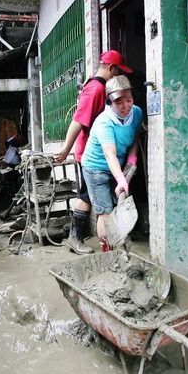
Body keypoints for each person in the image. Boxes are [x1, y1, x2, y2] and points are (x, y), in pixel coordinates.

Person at [54, 50, 132, 254]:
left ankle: (76, 237)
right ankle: (76, 237)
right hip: (93, 155)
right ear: (111, 68)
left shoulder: (97, 87)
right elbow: (78, 121)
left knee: (87, 196)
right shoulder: (97, 89)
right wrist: (65, 149)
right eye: (117, 72)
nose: (117, 77)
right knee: (89, 197)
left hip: (96, 151)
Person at [81, 75, 142, 252]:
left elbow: (135, 138)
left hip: (118, 166)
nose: (125, 106)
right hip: (96, 168)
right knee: (105, 211)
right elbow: (109, 154)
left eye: (129, 100)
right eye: (119, 102)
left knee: (118, 205)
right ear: (109, 102)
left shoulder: (136, 113)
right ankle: (107, 252)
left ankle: (120, 246)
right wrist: (121, 179)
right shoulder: (104, 122)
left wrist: (132, 160)